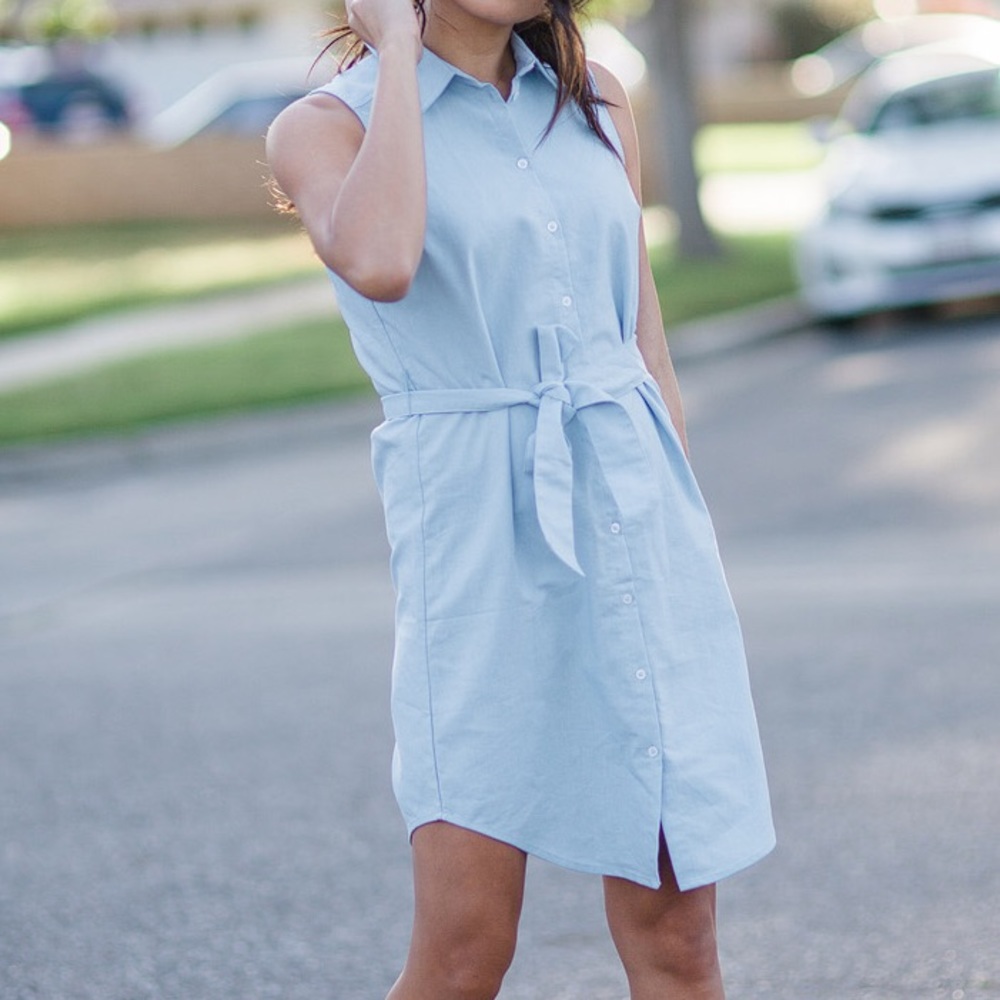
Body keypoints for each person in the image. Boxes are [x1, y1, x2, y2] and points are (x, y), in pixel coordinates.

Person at [266, 1, 775, 996]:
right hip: (476, 547)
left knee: (679, 934)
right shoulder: (326, 126)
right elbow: (381, 257)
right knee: (465, 946)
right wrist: (401, 54)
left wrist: (676, 538)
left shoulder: (596, 100)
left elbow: (645, 349)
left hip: (638, 526)